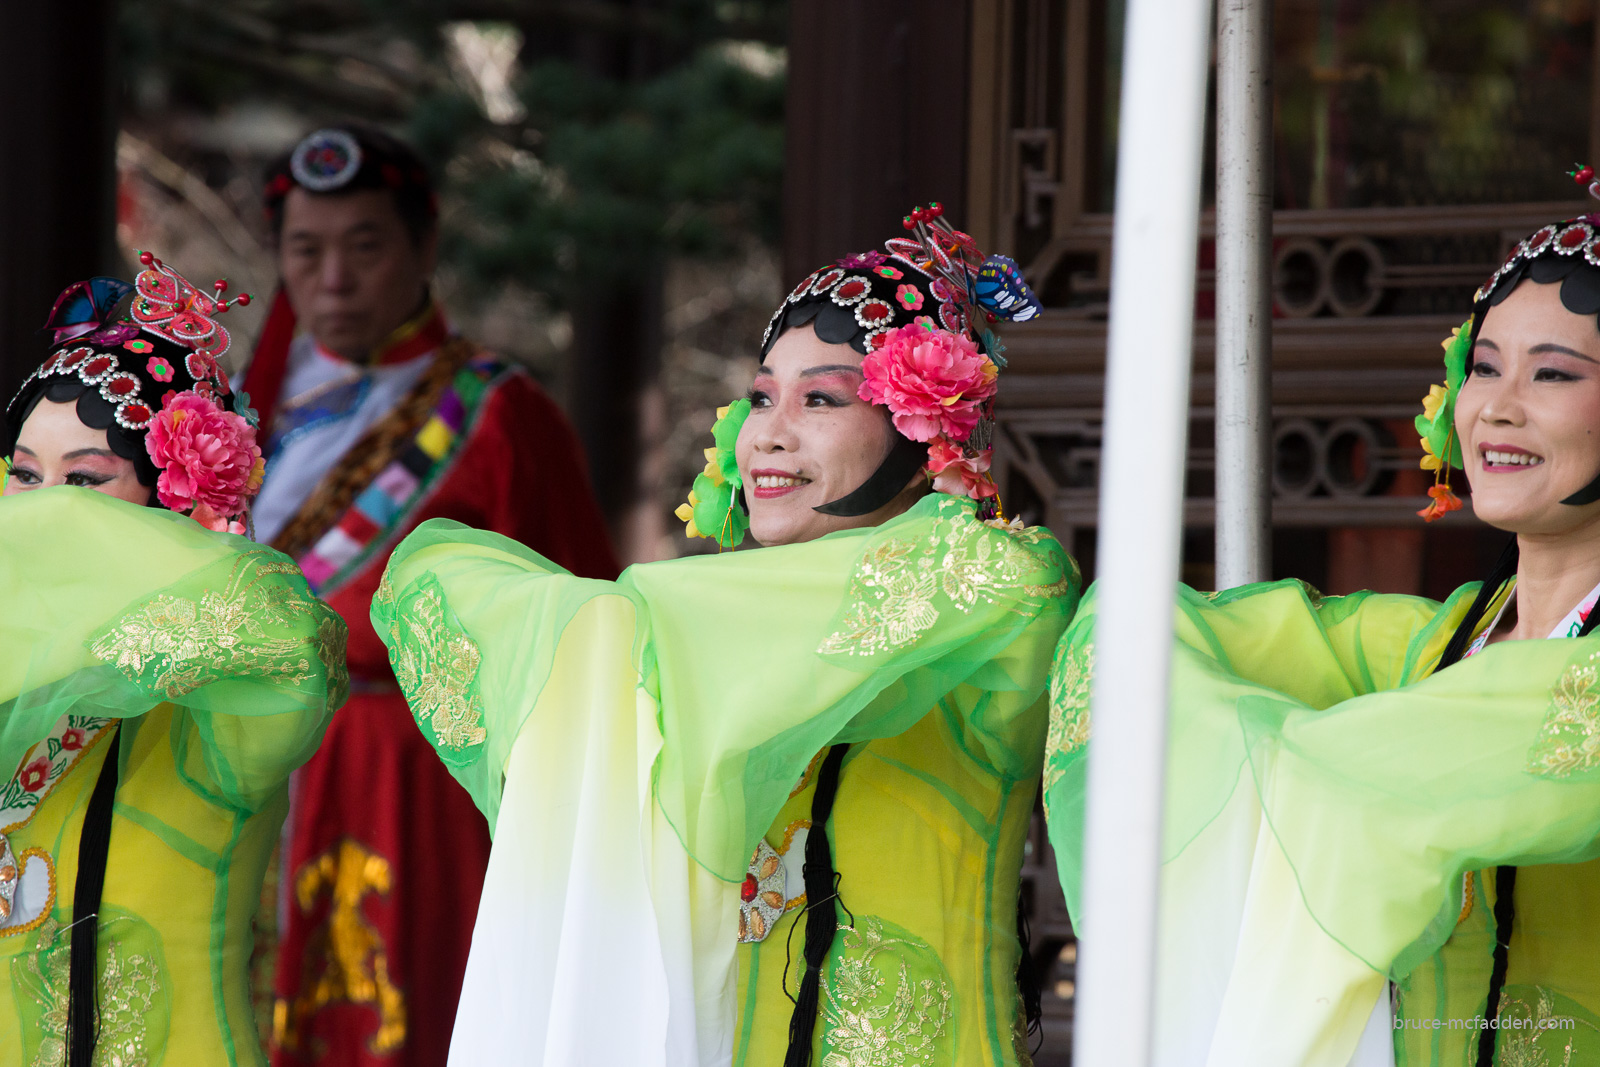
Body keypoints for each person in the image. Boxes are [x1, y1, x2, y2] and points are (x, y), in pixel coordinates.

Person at [373, 207, 1076, 1065]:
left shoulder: (999, 582)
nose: (770, 432)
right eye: (760, 396)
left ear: (923, 423)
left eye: (821, 397)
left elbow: (728, 615)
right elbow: (436, 582)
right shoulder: (711, 629)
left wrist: (611, 628)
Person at [1045, 179, 1600, 1067]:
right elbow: (1145, 635)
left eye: (1554, 373)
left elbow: (1365, 771)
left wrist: (1296, 760)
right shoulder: (1433, 648)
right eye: (1486, 365)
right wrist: (1252, 750)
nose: (1497, 404)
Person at [240, 125, 620, 1067]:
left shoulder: (499, 414)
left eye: (364, 247)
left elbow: (581, 616)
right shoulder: (239, 415)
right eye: (305, 250)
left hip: (413, 777)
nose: (333, 278)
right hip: (244, 764)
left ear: (423, 248)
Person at [0, 260, 347, 1066]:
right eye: (24, 476)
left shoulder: (221, 686)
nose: (45, 513)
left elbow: (294, 649)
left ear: (170, 501)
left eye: (84, 483)